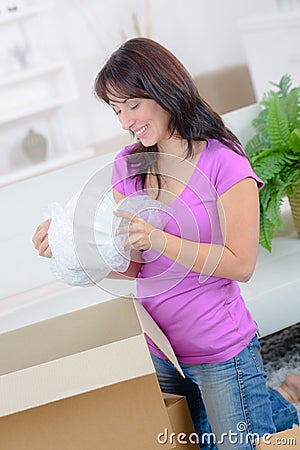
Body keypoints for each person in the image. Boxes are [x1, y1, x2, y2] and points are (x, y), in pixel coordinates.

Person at [32, 38, 300, 449]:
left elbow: (242, 264)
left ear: (162, 89)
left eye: (131, 105)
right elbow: (135, 266)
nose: (124, 122)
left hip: (218, 349)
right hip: (159, 348)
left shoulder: (223, 162)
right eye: (116, 110)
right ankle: (282, 396)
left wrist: (161, 238)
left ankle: (280, 397)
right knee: (196, 440)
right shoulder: (130, 164)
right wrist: (72, 247)